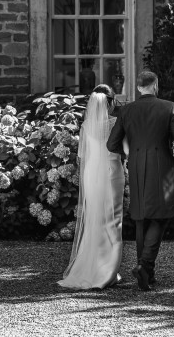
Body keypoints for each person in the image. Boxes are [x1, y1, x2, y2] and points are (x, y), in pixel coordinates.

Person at [107, 71, 174, 291]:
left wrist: (130, 152)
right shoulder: (168, 106)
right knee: (161, 215)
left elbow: (112, 144)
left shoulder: (127, 110)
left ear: (138, 87)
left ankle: (146, 274)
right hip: (161, 166)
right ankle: (145, 266)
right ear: (155, 85)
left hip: (136, 166)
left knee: (142, 217)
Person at [58, 84, 126, 290]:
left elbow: (82, 158)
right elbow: (125, 150)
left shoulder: (87, 126)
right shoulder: (116, 123)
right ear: (111, 102)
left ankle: (93, 267)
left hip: (91, 175)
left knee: (95, 220)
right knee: (112, 219)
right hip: (111, 173)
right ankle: (108, 272)